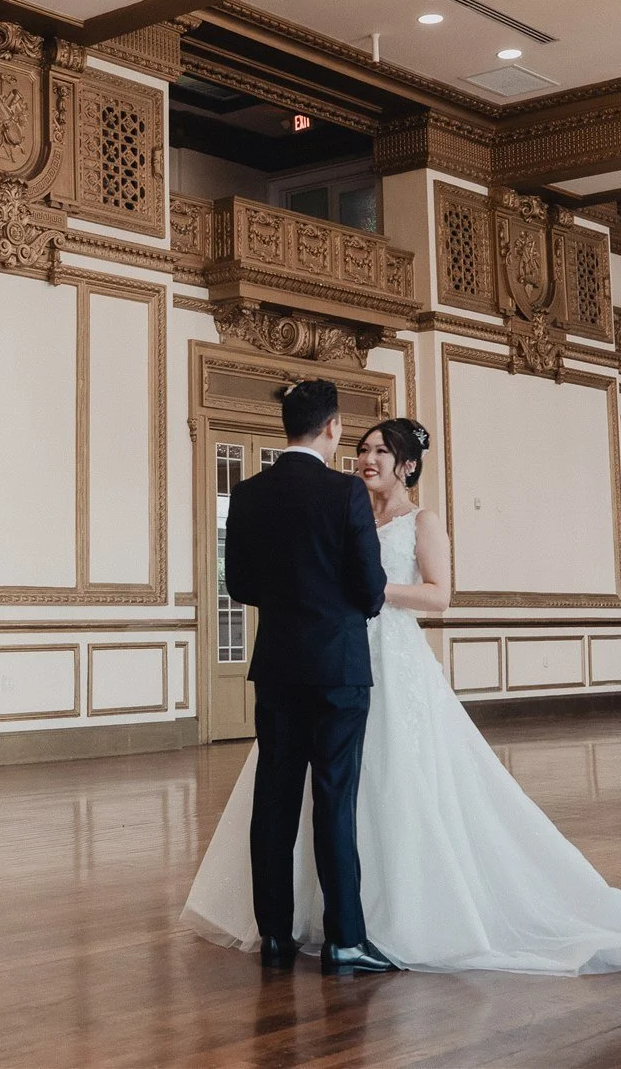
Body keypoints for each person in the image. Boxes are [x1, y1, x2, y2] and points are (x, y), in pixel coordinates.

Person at [185, 415, 621, 975]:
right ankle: (320, 918)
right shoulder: (343, 509)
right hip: (329, 660)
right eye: (363, 449)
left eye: (380, 453)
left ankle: (397, 914)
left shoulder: (422, 522)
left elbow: (440, 595)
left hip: (389, 660)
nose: (366, 460)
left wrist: (371, 589)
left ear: (407, 467)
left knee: (392, 782)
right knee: (328, 791)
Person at [220, 379, 396, 976]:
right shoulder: (345, 492)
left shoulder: (247, 493)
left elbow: (239, 586)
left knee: (273, 800)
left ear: (285, 428)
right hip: (338, 669)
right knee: (333, 800)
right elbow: (371, 590)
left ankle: (275, 937)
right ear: (333, 428)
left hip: (277, 667)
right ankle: (346, 939)